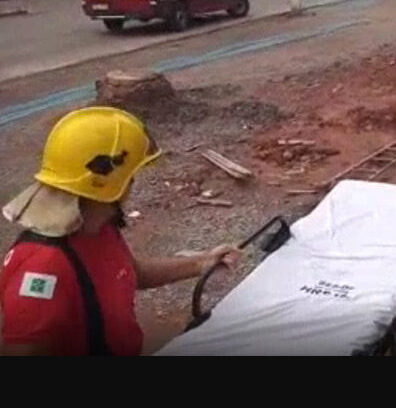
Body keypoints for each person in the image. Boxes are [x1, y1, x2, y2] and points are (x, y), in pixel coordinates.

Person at [0, 107, 241, 356]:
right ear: (114, 183)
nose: (134, 182)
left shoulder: (98, 225)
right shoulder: (42, 268)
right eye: (132, 175)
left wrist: (201, 263)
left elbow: (130, 272)